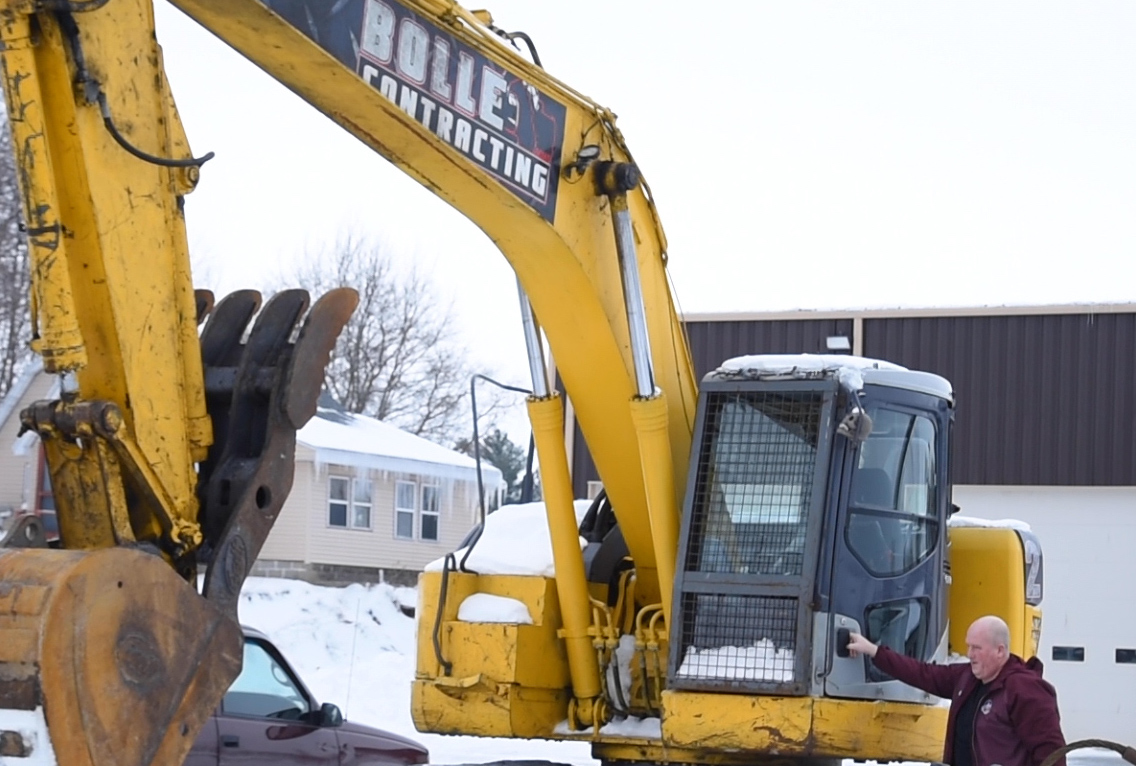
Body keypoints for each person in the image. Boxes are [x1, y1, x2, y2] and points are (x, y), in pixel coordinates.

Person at [846, 615, 1066, 766]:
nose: (969, 654)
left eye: (977, 648)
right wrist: (874, 651)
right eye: (969, 646)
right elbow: (922, 673)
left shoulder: (1025, 689)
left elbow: (1051, 751)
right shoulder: (967, 678)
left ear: (1000, 651)